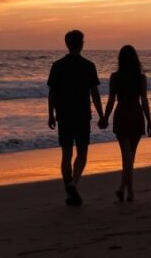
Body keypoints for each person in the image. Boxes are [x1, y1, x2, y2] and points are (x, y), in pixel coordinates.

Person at [47, 29, 105, 206]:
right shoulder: (88, 66)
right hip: (81, 114)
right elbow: (94, 93)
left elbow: (52, 93)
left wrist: (50, 114)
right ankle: (73, 184)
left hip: (63, 114)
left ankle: (69, 191)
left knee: (66, 153)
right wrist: (101, 115)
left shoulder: (57, 66)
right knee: (82, 153)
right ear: (80, 44)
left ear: (67, 44)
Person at [99, 44, 151, 202]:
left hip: (122, 114)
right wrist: (149, 120)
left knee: (127, 155)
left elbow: (110, 100)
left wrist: (105, 117)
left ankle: (125, 189)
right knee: (130, 156)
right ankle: (129, 191)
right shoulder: (141, 77)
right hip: (136, 115)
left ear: (120, 60)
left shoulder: (115, 77)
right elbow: (144, 100)